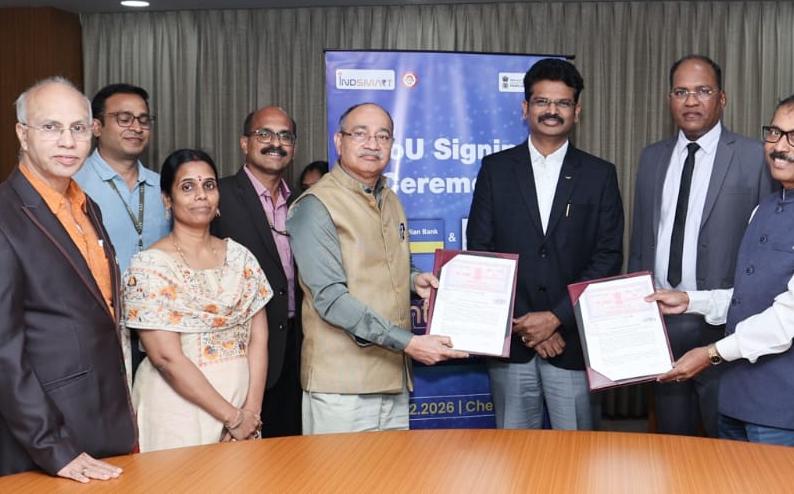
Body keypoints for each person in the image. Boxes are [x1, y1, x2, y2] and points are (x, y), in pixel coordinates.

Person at [651, 92, 794, 450]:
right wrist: (690, 301)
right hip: (735, 397)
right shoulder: (764, 207)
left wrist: (710, 353)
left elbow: (793, 316)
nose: (780, 147)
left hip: (788, 411)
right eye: (775, 133)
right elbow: (749, 297)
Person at [0, 77, 136, 482]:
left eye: (78, 128)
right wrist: (55, 448)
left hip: (103, 423)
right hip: (45, 444)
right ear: (22, 133)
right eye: (51, 127)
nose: (67, 142)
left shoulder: (86, 206)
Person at [287, 103, 467, 433]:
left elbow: (393, 264)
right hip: (342, 387)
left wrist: (415, 280)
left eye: (383, 136)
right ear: (339, 141)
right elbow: (331, 299)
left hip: (393, 378)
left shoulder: (390, 198)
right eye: (361, 134)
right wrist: (409, 343)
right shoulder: (315, 205)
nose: (373, 144)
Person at [466, 58, 623, 430]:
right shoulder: (495, 169)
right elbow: (482, 251)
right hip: (512, 342)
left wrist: (555, 319)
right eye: (542, 101)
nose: (552, 110)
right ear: (525, 108)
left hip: (570, 343)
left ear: (577, 111)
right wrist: (528, 327)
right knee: (515, 455)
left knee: (577, 455)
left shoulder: (600, 174)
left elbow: (607, 256)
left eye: (563, 103)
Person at [628, 55, 775, 437]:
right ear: (669, 99)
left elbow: (768, 248)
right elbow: (641, 240)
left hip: (723, 326)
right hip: (663, 322)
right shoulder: (652, 157)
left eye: (703, 91)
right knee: (671, 442)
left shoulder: (754, 157)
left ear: (722, 98)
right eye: (681, 92)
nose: (691, 101)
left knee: (723, 444)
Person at [126, 149, 272, 450]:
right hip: (176, 412)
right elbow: (166, 358)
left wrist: (251, 413)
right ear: (167, 199)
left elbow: (259, 338)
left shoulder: (240, 257)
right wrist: (232, 418)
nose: (201, 195)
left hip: (243, 409)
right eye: (187, 187)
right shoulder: (150, 267)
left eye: (209, 185)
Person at [212, 107, 303, 437]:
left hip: (298, 348)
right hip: (242, 348)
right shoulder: (218, 195)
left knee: (293, 452)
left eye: (285, 136)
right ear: (244, 143)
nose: (275, 143)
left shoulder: (304, 201)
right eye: (264, 134)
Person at [76, 83, 170, 271]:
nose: (137, 128)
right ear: (96, 127)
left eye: (144, 121)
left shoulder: (165, 186)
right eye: (124, 119)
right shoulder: (74, 184)